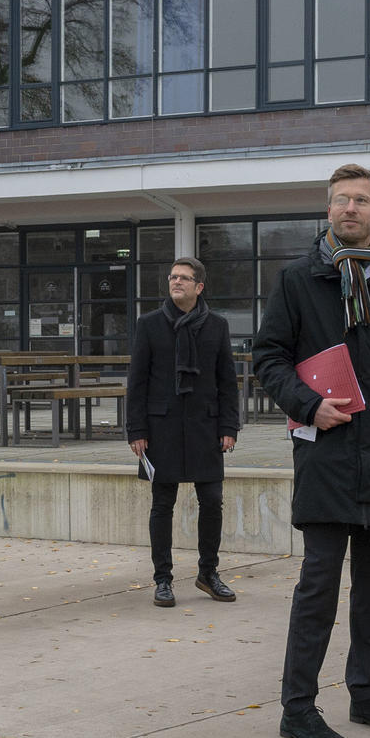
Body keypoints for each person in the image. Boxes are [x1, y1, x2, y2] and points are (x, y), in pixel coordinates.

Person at [253, 163, 370, 738]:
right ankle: (298, 706)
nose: (351, 209)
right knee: (318, 585)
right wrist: (309, 405)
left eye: (361, 200)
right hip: (328, 454)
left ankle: (366, 694)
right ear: (328, 211)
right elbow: (268, 359)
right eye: (341, 200)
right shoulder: (297, 280)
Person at [126, 255, 242, 607]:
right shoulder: (149, 325)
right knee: (162, 504)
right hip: (161, 429)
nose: (176, 282)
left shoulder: (217, 326)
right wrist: (136, 430)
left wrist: (229, 426)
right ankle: (163, 579)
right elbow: (137, 382)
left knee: (212, 501)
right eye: (173, 277)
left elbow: (227, 381)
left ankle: (208, 573)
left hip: (205, 428)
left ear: (199, 286)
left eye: (184, 278)